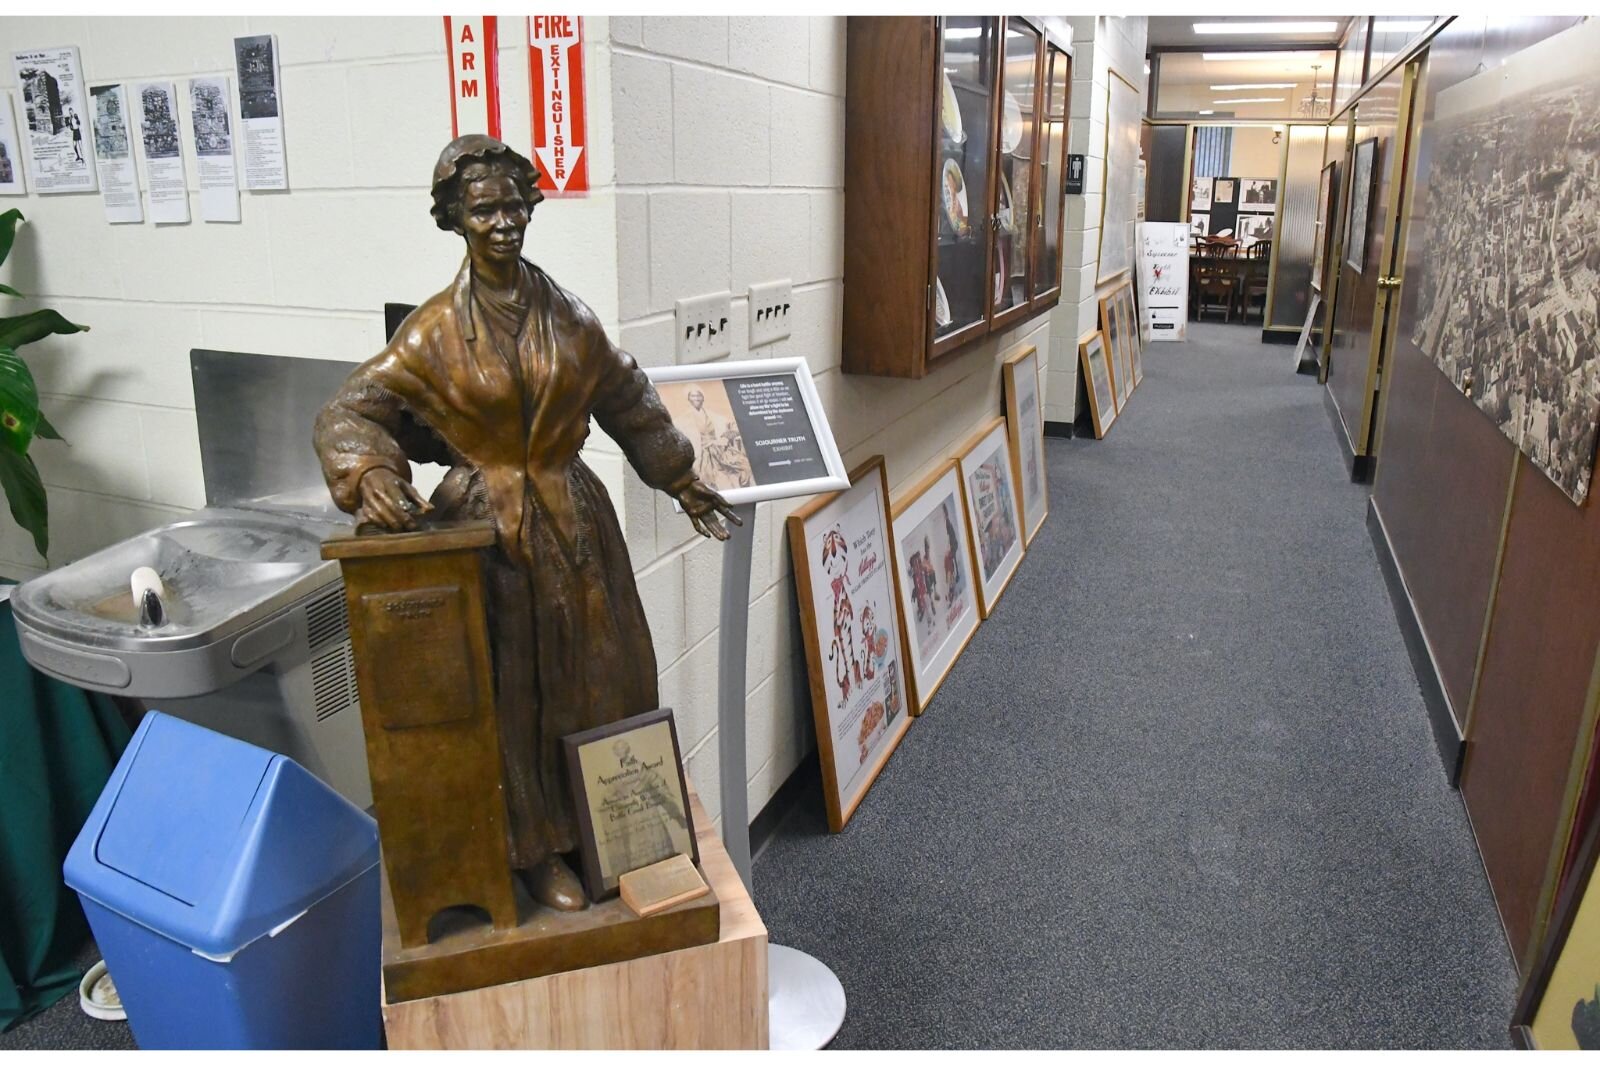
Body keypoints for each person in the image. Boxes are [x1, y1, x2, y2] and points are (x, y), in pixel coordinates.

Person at [314, 135, 737, 913]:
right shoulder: (433, 331)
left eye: (513, 205)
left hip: (575, 521)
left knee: (604, 675)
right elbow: (347, 412)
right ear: (455, 220)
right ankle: (536, 852)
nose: (502, 222)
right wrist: (370, 472)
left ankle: (606, 832)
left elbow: (628, 397)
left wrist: (680, 476)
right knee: (514, 696)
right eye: (484, 210)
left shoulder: (568, 314)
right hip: (488, 530)